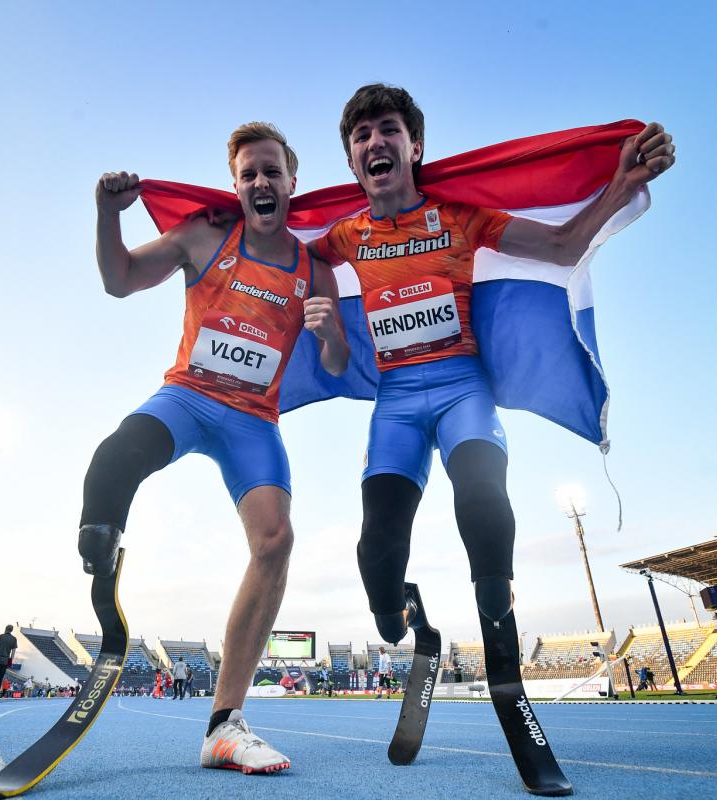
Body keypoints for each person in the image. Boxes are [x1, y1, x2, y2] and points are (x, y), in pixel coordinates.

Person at [309, 81, 673, 656]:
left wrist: (621, 183)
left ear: (415, 146)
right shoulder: (344, 236)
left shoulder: (460, 218)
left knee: (481, 496)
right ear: (352, 159)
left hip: (463, 392)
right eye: (362, 136)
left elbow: (561, 246)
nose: (375, 142)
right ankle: (396, 608)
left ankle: (499, 631)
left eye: (389, 131)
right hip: (396, 405)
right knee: (376, 552)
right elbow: (280, 251)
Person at [83, 121, 348, 775]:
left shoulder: (316, 269)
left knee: (276, 541)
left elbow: (339, 365)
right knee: (114, 459)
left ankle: (225, 725)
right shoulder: (205, 235)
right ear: (237, 185)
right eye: (249, 173)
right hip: (189, 399)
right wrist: (106, 215)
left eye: (271, 172)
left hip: (253, 422)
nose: (261, 182)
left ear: (292, 183)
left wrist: (329, 335)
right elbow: (119, 280)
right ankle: (101, 567)